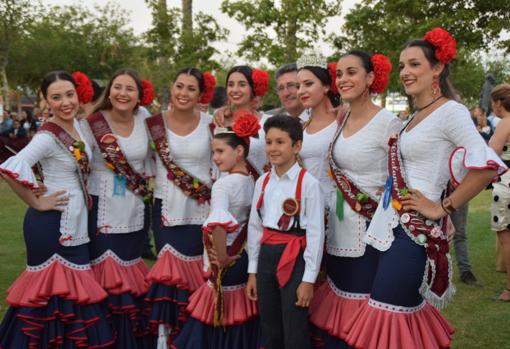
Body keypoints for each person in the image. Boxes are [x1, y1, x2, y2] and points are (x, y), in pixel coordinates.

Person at [344, 28, 506, 349]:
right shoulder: (413, 117)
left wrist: (442, 207)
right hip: (389, 228)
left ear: (437, 68)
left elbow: (487, 165)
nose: (405, 72)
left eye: (415, 64)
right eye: (402, 65)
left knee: (388, 320)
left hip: (414, 233)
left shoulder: (451, 111)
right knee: (395, 323)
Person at [0, 71, 114, 348]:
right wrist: (36, 201)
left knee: (72, 296)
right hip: (52, 224)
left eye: (69, 94)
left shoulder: (78, 125)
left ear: (78, 94)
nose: (65, 102)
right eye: (56, 97)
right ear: (46, 101)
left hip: (74, 220)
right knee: (48, 298)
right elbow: (9, 167)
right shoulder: (48, 136)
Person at [309, 50, 401, 348]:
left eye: (352, 72)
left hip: (373, 234)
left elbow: (400, 179)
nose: (344, 79)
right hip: (338, 227)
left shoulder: (388, 123)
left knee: (363, 309)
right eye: (339, 74)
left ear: (371, 78)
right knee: (341, 301)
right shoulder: (341, 118)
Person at [172, 111, 261, 349]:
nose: (215, 157)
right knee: (239, 315)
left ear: (239, 151)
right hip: (243, 257)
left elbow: (219, 224)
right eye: (213, 152)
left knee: (215, 318)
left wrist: (220, 258)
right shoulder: (253, 181)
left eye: (220, 151)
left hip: (225, 259)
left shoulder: (223, 184)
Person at [82, 68, 156, 348]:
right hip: (100, 208)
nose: (122, 94)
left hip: (135, 208)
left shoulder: (145, 118)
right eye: (118, 87)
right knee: (105, 275)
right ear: (109, 91)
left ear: (139, 96)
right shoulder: (92, 123)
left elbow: (154, 154)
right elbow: (79, 162)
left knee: (130, 272)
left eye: (129, 89)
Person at [144, 67, 215, 347]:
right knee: (168, 278)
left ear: (200, 94)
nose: (183, 93)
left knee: (198, 277)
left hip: (203, 211)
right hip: (166, 210)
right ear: (171, 88)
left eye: (191, 89)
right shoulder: (152, 123)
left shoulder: (211, 123)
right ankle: (165, 338)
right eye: (179, 86)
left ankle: (194, 336)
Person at [246, 115, 325, 349]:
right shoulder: (262, 182)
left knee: (294, 326)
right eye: (269, 142)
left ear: (297, 146)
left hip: (294, 257)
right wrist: (253, 271)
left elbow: (316, 235)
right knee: (269, 325)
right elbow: (254, 227)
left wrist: (308, 279)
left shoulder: (309, 184)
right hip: (267, 257)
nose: (273, 148)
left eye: (280, 142)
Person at [223, 65, 270, 178]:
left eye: (242, 85)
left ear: (253, 88)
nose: (234, 90)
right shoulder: (219, 123)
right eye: (230, 85)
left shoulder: (268, 123)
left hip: (259, 190)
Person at [488, 83, 510, 301]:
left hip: (507, 183)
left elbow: (490, 153)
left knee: (505, 237)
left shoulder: (505, 123)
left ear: (498, 103)